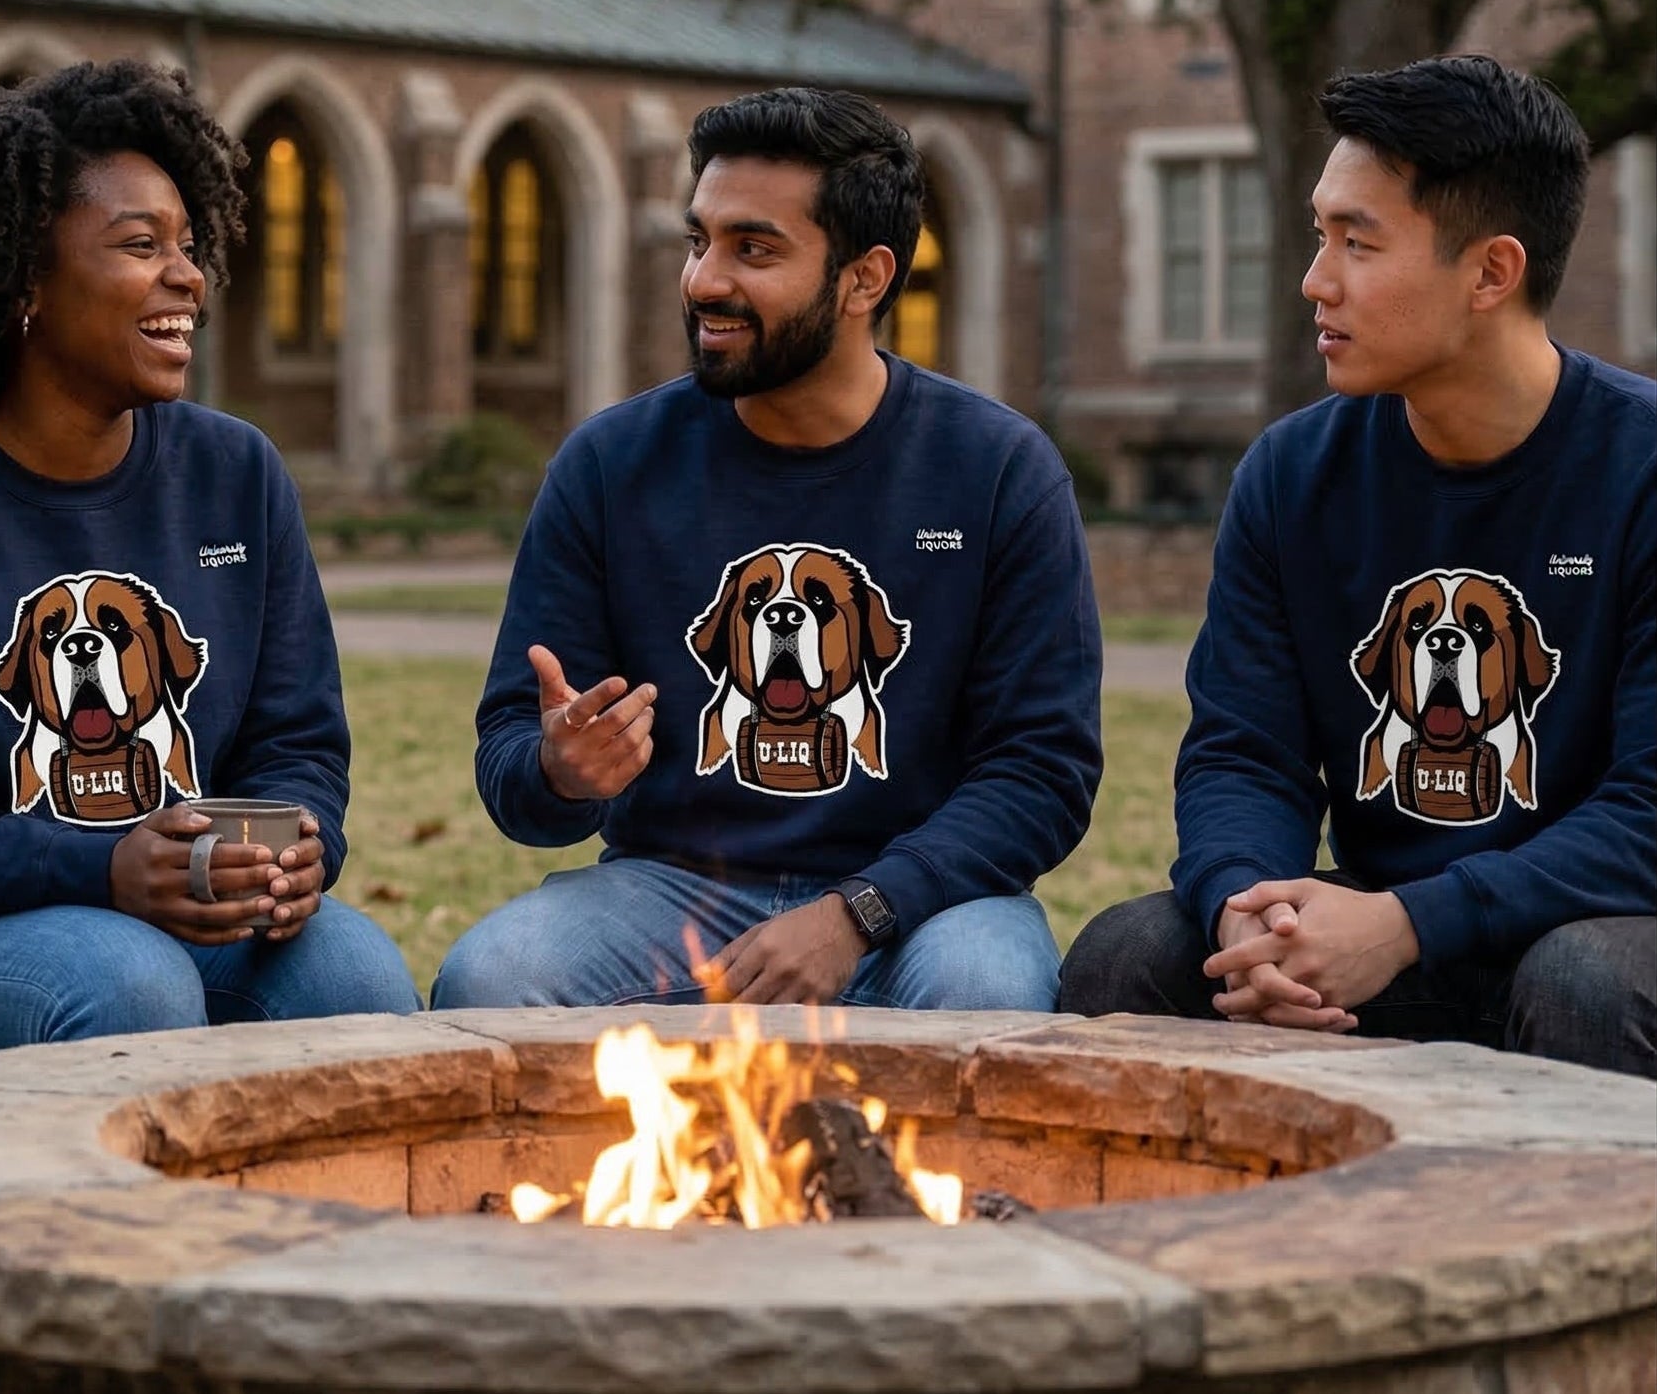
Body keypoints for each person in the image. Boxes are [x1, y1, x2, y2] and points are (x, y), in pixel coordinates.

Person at [0, 60, 420, 1071]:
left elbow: (298, 738)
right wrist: (103, 867)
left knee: (359, 981)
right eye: (141, 246)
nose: (188, 276)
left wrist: (303, 848)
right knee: (127, 983)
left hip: (183, 911)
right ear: (23, 278)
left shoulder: (236, 470)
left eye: (188, 244)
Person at [432, 87, 1101, 1011]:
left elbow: (1043, 774)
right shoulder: (610, 464)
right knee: (494, 977)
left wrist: (857, 911)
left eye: (754, 249)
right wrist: (558, 770)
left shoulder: (997, 470)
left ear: (864, 279)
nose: (705, 280)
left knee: (987, 992)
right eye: (698, 240)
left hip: (923, 902)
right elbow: (511, 753)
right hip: (668, 886)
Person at [1059, 55, 1656, 1077]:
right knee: (1132, 953)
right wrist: (1250, 910)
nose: (1312, 279)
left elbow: (1646, 811)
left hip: (1594, 927)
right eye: (1317, 233)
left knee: (1581, 978)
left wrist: (1408, 919)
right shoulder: (1294, 472)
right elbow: (1244, 752)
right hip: (1374, 930)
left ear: (1488, 271)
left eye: (1355, 242)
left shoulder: (1636, 466)